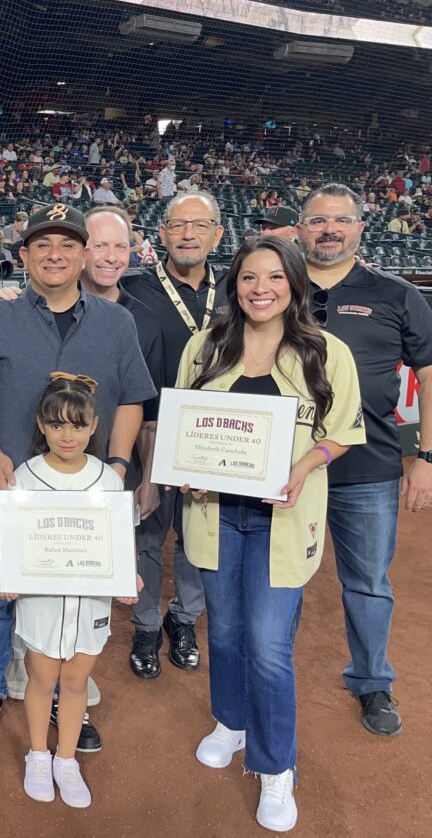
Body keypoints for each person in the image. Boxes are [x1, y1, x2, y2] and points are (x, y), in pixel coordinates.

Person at [177, 236, 365, 832]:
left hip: (280, 520)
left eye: (274, 278)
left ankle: (276, 766)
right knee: (226, 633)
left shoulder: (324, 352)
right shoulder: (205, 347)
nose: (261, 289)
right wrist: (188, 475)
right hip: (217, 516)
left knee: (268, 646)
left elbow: (341, 431)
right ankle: (231, 723)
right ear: (235, 286)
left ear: (293, 285)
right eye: (249, 279)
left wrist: (304, 466)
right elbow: (186, 426)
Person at [0, 202, 155, 753]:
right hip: (8, 491)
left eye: (68, 244)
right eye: (43, 244)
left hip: (86, 497)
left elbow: (134, 399)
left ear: (85, 254)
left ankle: (71, 696)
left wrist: (117, 466)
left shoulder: (117, 322)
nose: (55, 254)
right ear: (24, 255)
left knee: (78, 597)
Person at [298, 184, 432, 738]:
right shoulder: (271, 286)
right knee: (280, 579)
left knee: (369, 582)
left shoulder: (397, 294)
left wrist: (424, 455)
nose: (329, 229)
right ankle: (270, 671)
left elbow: (427, 373)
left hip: (370, 466)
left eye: (341, 220)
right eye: (317, 220)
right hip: (288, 466)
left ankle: (373, 681)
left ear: (360, 227)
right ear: (300, 229)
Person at [0, 376, 140, 808]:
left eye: (77, 426)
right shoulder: (25, 475)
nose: (67, 436)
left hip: (91, 599)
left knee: (76, 680)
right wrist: (9, 573)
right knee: (41, 678)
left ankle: (67, 758)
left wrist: (127, 575)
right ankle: (38, 755)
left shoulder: (107, 480)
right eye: (57, 425)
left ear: (95, 426)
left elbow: (118, 541)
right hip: (41, 598)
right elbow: (16, 538)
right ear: (41, 426)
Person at [123, 190, 229, 679]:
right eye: (178, 225)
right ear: (161, 233)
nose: (189, 234)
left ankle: (183, 618)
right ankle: (146, 624)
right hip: (146, 432)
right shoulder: (133, 287)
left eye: (200, 226)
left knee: (198, 537)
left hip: (213, 439)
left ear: (218, 235)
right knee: (146, 532)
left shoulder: (236, 290)